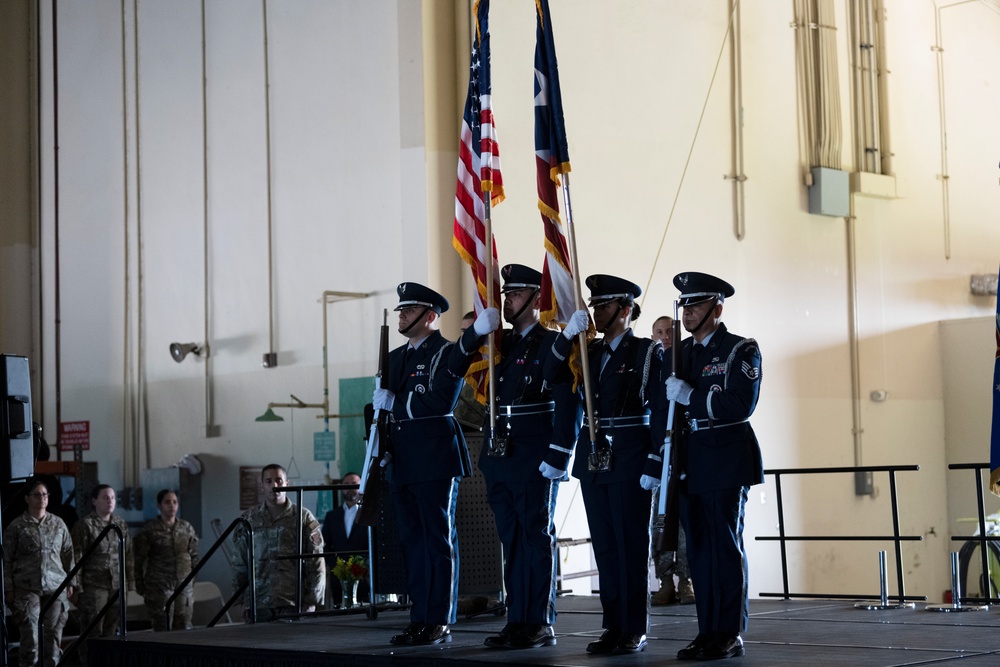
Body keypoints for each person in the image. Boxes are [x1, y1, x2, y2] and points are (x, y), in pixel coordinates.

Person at [372, 282, 498, 646]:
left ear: (430, 316)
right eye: (400, 310)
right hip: (403, 459)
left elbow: (438, 402)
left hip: (434, 457)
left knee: (436, 540)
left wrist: (394, 402)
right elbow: (384, 411)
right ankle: (420, 617)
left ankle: (438, 620)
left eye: (409, 311)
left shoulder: (444, 352)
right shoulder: (395, 358)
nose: (402, 315)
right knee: (413, 541)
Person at [550, 274, 665, 654]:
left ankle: (634, 627)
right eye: (595, 305)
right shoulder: (588, 351)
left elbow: (660, 410)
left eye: (604, 305)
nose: (596, 311)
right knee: (605, 546)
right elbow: (550, 377)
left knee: (630, 544)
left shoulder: (647, 352)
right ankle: (613, 625)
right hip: (594, 458)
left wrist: (654, 459)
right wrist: (567, 335)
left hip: (631, 455)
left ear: (625, 310)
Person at [467, 264, 580, 650]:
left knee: (535, 538)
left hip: (534, 455)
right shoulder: (499, 346)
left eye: (515, 295)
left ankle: (539, 620)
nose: (507, 301)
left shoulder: (552, 343)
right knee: (511, 540)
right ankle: (517, 618)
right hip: (500, 456)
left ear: (536, 300)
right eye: (506, 295)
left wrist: (560, 454)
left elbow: (569, 401)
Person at [665, 272, 763, 661]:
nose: (688, 313)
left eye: (697, 305)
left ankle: (729, 632)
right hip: (692, 458)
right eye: (685, 305)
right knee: (700, 551)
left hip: (726, 455)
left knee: (724, 546)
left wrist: (692, 395)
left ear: (717, 309)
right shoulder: (682, 353)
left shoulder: (741, 349)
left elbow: (740, 404)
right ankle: (707, 630)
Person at [231, 464, 326, 621]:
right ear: (261, 486)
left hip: (294, 601)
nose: (274, 485)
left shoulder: (303, 517)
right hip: (258, 602)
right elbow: (240, 563)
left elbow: (315, 561)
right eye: (268, 481)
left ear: (287, 484)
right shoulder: (249, 519)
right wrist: (242, 600)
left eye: (278, 480)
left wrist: (312, 600)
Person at [4, 478, 76, 667]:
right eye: (37, 495)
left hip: (55, 586)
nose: (42, 498)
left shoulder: (58, 523)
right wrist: (8, 588)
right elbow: (7, 559)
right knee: (31, 639)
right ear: (27, 498)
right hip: (27, 587)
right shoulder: (17, 526)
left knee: (53, 638)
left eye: (45, 494)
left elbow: (68, 553)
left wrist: (71, 582)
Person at [649, 315, 695, 607]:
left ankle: (686, 580)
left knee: (686, 524)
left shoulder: (687, 361)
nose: (665, 337)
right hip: (660, 454)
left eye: (670, 332)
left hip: (686, 451)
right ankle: (664, 580)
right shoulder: (651, 366)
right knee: (660, 521)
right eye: (659, 332)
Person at [71, 484, 135, 664]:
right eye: (105, 497)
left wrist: (129, 583)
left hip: (116, 585)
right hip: (94, 586)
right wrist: (77, 587)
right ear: (94, 501)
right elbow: (76, 558)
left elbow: (128, 555)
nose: (110, 501)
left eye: (113, 498)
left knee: (112, 632)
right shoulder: (85, 525)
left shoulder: (120, 524)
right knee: (93, 632)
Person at [134, 489, 200, 630]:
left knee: (184, 625)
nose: (172, 505)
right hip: (159, 586)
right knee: (162, 626)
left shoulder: (186, 527)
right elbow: (138, 560)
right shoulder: (150, 530)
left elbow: (194, 556)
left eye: (175, 502)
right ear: (159, 505)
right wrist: (140, 586)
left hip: (183, 584)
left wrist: (192, 579)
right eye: (167, 502)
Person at [322, 472, 368, 603]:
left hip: (364, 576)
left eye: (354, 484)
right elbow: (325, 545)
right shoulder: (332, 516)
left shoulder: (368, 514)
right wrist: (336, 566)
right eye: (346, 484)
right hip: (338, 576)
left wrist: (363, 565)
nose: (350, 487)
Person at [453, 310, 487, 429]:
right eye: (464, 331)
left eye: (472, 330)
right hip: (457, 425)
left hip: (479, 428)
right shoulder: (454, 358)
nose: (467, 335)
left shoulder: (489, 360)